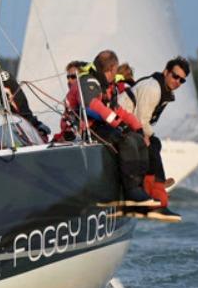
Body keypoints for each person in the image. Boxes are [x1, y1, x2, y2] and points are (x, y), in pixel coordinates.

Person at [62, 50, 151, 201]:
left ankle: (139, 186)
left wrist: (138, 128)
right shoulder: (88, 81)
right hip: (84, 128)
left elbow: (117, 110)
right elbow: (92, 106)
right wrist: (119, 124)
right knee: (125, 140)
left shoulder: (106, 85)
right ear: (110, 69)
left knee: (137, 139)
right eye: (115, 70)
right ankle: (131, 190)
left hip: (100, 125)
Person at [118, 56, 191, 222]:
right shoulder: (153, 88)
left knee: (154, 144)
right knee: (152, 145)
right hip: (121, 124)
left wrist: (148, 136)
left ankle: (154, 188)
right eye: (175, 76)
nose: (177, 81)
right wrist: (147, 136)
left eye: (182, 80)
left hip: (131, 124)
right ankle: (158, 197)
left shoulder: (164, 92)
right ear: (166, 72)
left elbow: (144, 121)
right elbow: (141, 119)